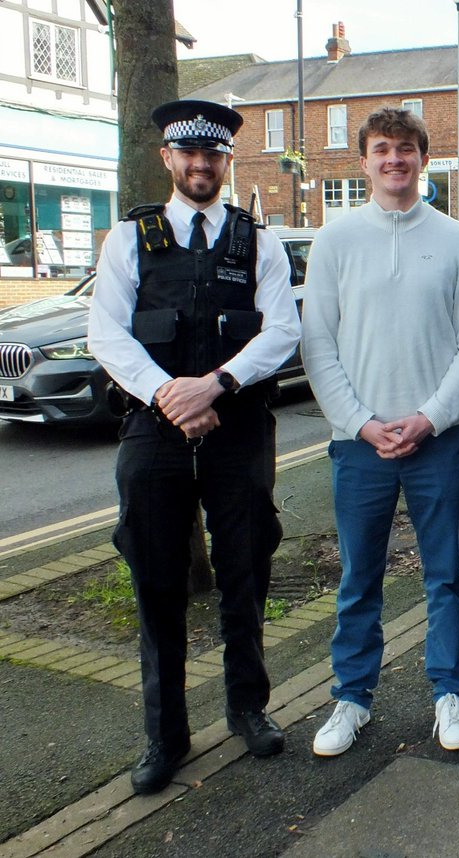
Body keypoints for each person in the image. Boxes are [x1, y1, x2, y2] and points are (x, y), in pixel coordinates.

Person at [88, 99, 301, 794]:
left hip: (237, 431)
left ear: (226, 161)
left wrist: (212, 386)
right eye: (189, 153)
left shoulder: (257, 242)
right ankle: (165, 736)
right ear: (168, 159)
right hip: (154, 432)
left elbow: (281, 333)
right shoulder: (128, 241)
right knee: (157, 582)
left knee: (245, 572)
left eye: (213, 155)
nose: (201, 164)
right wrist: (169, 395)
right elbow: (107, 335)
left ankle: (248, 708)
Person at [301, 107, 459, 755]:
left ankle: (448, 692)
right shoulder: (334, 240)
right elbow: (318, 342)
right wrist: (362, 423)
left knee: (446, 576)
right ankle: (352, 698)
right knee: (359, 577)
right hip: (360, 445)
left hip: (436, 441)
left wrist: (429, 417)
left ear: (422, 158)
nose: (394, 160)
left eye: (405, 148)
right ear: (363, 161)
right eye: (381, 149)